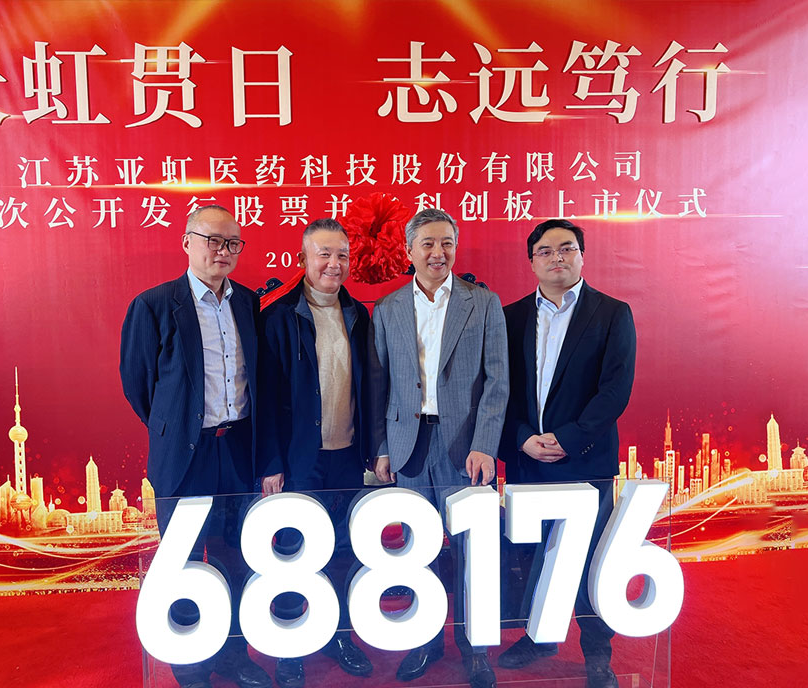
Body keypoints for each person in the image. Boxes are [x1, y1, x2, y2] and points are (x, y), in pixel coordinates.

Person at [119, 205, 271, 688]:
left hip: (238, 450)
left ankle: (233, 653)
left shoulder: (248, 303)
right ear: (187, 242)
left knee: (235, 557)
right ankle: (190, 663)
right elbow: (138, 384)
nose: (223, 251)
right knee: (183, 562)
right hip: (186, 455)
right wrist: (177, 429)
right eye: (213, 240)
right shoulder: (154, 305)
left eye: (232, 243)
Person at [371, 208, 508, 688]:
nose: (438, 252)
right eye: (427, 243)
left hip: (464, 447)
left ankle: (475, 647)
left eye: (447, 242)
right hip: (408, 446)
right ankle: (425, 640)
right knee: (417, 551)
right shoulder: (386, 308)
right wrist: (382, 447)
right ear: (409, 250)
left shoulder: (482, 303)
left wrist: (485, 444)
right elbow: (379, 383)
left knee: (473, 552)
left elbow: (497, 382)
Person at [498, 219, 636, 688]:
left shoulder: (612, 313)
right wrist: (521, 438)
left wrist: (570, 438)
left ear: (581, 256)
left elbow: (614, 390)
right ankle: (539, 637)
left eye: (567, 248)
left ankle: (597, 651)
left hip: (585, 461)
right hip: (528, 459)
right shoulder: (510, 317)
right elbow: (500, 390)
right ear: (531, 261)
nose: (557, 257)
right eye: (545, 250)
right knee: (537, 557)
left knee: (589, 559)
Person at [257, 218, 375, 688]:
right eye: (323, 254)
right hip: (297, 459)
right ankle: (291, 645)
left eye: (342, 255)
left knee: (343, 551)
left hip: (346, 456)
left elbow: (370, 387)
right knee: (293, 553)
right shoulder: (279, 317)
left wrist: (373, 450)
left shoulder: (358, 315)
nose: (334, 264)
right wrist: (271, 463)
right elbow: (265, 399)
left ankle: (338, 635)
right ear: (303, 258)